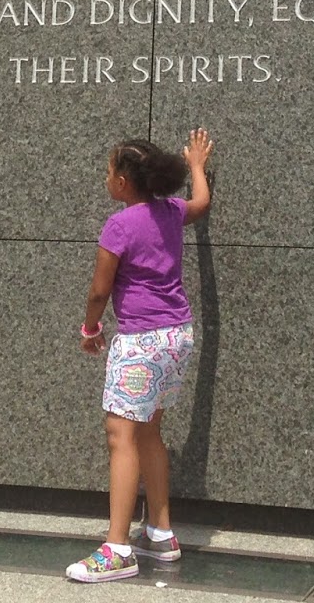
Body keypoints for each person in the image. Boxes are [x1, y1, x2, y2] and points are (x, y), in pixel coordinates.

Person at [65, 127, 213, 584]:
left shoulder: (119, 225)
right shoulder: (170, 211)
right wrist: (197, 167)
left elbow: (99, 290)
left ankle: (117, 548)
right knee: (148, 431)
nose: (106, 178)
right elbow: (202, 203)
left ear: (124, 182)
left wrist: (91, 328)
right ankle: (162, 532)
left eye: (109, 172)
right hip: (176, 337)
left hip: (140, 341)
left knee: (121, 435)